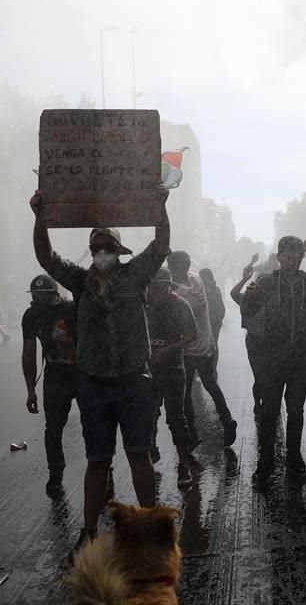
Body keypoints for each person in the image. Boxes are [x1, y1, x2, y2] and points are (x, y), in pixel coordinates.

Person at [30, 187, 170, 559]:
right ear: (91, 253)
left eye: (107, 245)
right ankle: (89, 531)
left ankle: (150, 528)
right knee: (97, 461)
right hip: (93, 385)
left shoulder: (136, 274)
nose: (101, 252)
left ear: (119, 251)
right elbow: (46, 256)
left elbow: (161, 245)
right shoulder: (79, 280)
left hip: (133, 382)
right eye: (96, 247)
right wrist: (39, 218)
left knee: (139, 456)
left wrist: (161, 207)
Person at [242, 236, 306, 483]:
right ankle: (266, 462)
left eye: (296, 256)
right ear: (279, 257)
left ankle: (293, 458)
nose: (292, 260)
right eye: (287, 255)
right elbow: (248, 312)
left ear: (301, 258)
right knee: (269, 412)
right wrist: (249, 297)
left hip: (302, 359)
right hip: (272, 358)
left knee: (296, 410)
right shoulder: (267, 283)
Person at [166, 251, 238, 450]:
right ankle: (227, 419)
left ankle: (192, 433)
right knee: (210, 384)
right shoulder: (197, 281)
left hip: (188, 349)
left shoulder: (176, 292)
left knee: (185, 391)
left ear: (174, 268)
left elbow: (184, 300)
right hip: (205, 345)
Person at [21, 274, 78, 496]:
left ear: (55, 294)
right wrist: (30, 390)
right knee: (53, 430)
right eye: (35, 296)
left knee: (94, 427)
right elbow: (28, 354)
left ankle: (104, 472)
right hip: (55, 375)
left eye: (43, 295)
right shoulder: (32, 316)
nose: (38, 299)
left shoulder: (72, 310)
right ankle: (55, 474)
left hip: (82, 374)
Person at [145, 267, 198, 487]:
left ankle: (183, 463)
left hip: (174, 369)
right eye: (153, 287)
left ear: (169, 286)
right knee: (148, 416)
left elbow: (192, 335)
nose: (157, 291)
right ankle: (151, 450)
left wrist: (169, 349)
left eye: (161, 287)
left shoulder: (180, 305)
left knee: (176, 417)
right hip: (147, 370)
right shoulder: (143, 305)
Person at [231, 255, 266, 416]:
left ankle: (263, 403)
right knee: (259, 375)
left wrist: (246, 279)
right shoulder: (246, 301)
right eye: (249, 288)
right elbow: (234, 292)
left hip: (265, 341)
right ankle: (259, 403)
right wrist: (245, 278)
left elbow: (234, 293)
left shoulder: (265, 302)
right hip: (254, 341)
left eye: (254, 287)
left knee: (263, 375)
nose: (251, 290)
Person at [198, 267, 225, 371]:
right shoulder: (216, 289)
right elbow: (222, 307)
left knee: (205, 344)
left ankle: (207, 368)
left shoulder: (201, 289)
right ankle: (213, 368)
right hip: (215, 321)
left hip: (207, 321)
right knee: (214, 344)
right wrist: (219, 319)